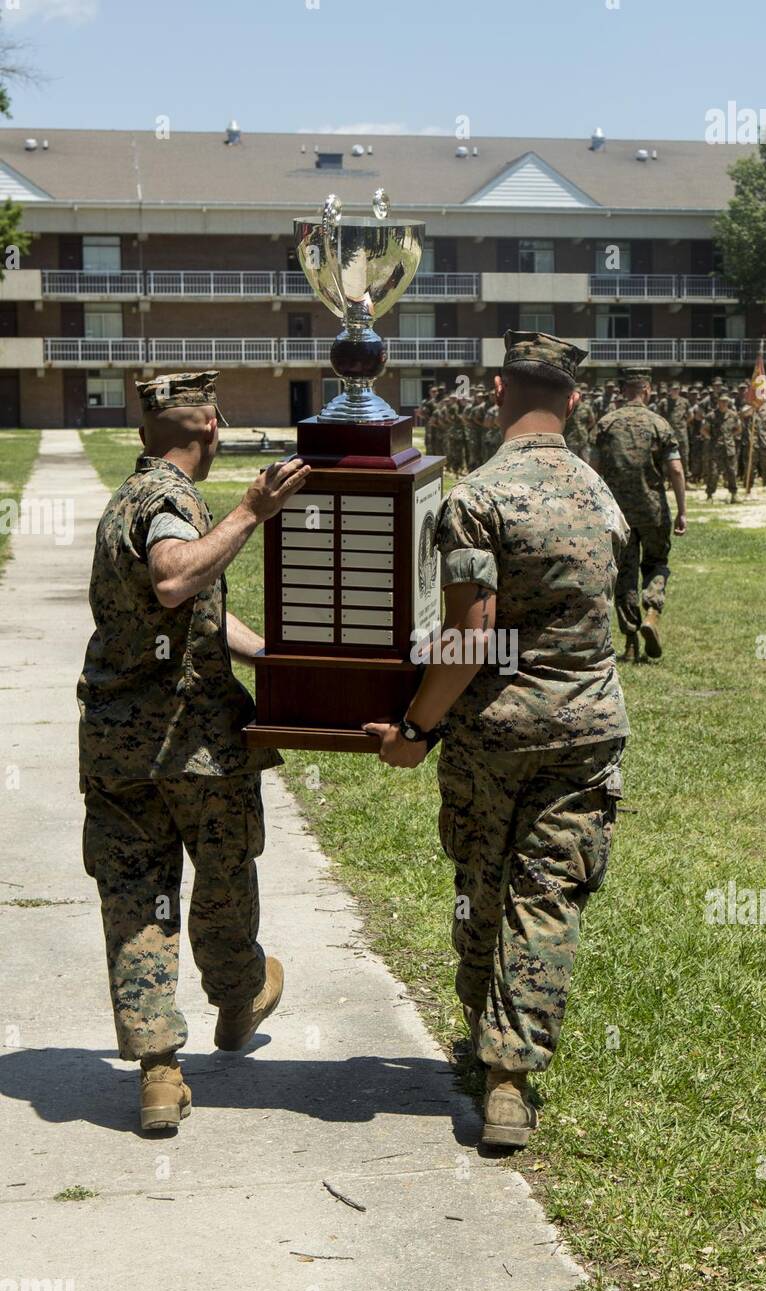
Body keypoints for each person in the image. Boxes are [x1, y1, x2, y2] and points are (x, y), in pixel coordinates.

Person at [363, 331, 629, 1150]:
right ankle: (509, 1077)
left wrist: (416, 725)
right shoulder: (599, 492)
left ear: (497, 390)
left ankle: (487, 1036)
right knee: (546, 893)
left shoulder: (477, 496)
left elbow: (473, 637)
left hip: (495, 736)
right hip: (588, 730)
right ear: (575, 401)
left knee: (482, 882)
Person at [77, 371, 310, 1131]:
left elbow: (191, 611)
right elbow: (177, 579)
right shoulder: (173, 502)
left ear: (145, 431)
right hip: (191, 748)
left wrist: (266, 653)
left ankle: (158, 1071)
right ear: (212, 427)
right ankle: (238, 999)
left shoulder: (128, 499)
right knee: (221, 880)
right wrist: (252, 511)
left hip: (118, 751)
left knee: (137, 900)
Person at [591, 370, 687, 662]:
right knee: (657, 563)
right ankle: (652, 614)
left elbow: (593, 470)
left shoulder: (606, 424)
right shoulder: (659, 424)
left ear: (623, 391)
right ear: (647, 390)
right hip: (653, 510)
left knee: (625, 574)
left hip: (618, 514)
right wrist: (682, 511)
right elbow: (676, 470)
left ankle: (631, 641)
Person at [703, 392, 742, 502]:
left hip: (729, 448)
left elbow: (738, 429)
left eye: (726, 401)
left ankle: (734, 494)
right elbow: (704, 430)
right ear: (718, 402)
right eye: (722, 401)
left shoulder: (733, 415)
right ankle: (710, 495)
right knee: (714, 472)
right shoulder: (711, 415)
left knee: (731, 472)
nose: (724, 403)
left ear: (728, 402)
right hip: (715, 448)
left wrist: (730, 437)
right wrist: (711, 438)